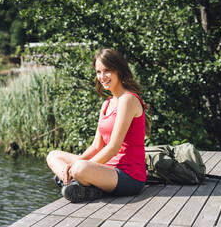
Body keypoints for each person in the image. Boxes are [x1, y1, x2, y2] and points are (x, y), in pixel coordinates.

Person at [46, 48, 150, 203]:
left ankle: (73, 181)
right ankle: (79, 183)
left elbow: (114, 147)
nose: (102, 77)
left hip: (128, 177)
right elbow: (96, 146)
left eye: (107, 71)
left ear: (119, 70)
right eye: (98, 72)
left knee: (80, 168)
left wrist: (78, 166)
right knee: (53, 155)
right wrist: (74, 164)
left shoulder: (128, 100)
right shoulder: (106, 104)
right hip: (106, 170)